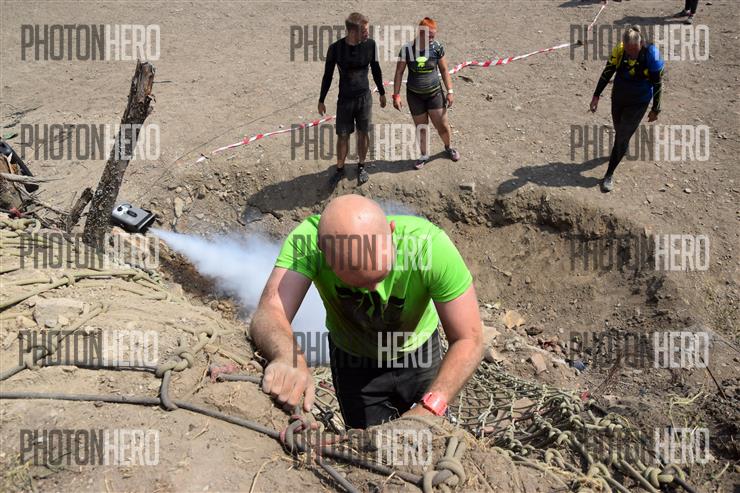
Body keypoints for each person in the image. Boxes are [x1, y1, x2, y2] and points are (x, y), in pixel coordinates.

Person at [250, 194, 483, 429]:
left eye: (381, 275)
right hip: (355, 364)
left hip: (420, 354)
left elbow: (469, 338)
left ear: (391, 230)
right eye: (359, 282)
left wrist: (431, 407)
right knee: (369, 445)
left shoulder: (428, 245)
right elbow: (270, 310)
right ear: (323, 251)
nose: (376, 291)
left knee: (430, 434)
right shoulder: (307, 242)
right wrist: (288, 357)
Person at [589, 26, 664, 193]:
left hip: (639, 101)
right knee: (619, 130)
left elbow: (658, 84)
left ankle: (609, 174)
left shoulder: (652, 55)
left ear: (641, 43)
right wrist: (596, 96)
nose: (632, 54)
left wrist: (656, 109)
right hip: (619, 97)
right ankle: (622, 146)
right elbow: (607, 72)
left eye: (634, 51)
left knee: (622, 136)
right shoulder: (620, 50)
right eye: (629, 51)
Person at [319, 13, 387, 188]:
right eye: (364, 31)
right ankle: (340, 169)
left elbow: (376, 69)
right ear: (352, 32)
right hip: (345, 100)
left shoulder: (370, 45)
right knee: (342, 136)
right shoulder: (336, 49)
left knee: (363, 133)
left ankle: (361, 166)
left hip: (364, 98)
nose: (367, 33)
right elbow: (327, 75)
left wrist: (382, 92)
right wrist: (321, 99)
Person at [392, 18, 459, 170]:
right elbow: (399, 72)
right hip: (415, 96)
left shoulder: (437, 47)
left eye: (434, 35)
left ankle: (448, 147)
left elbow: (444, 70)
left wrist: (450, 91)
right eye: (430, 36)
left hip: (435, 94)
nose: (432, 39)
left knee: (442, 125)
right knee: (421, 127)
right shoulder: (407, 49)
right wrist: (396, 95)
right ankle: (423, 155)